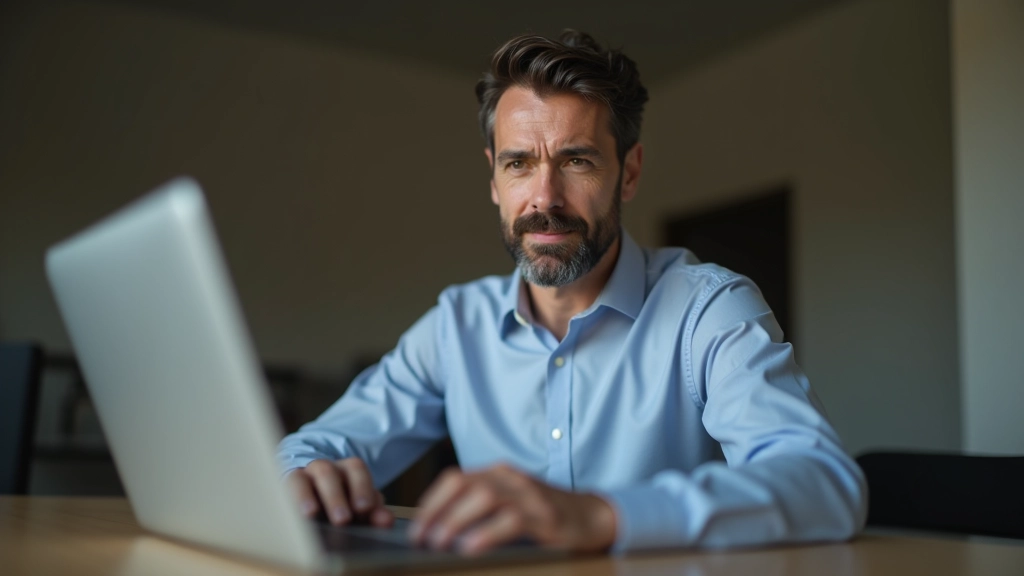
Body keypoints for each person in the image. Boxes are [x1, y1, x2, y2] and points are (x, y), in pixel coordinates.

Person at [278, 30, 866, 555]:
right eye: (518, 165)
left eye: (576, 160)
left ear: (628, 172)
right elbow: (313, 448)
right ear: (493, 179)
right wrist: (300, 475)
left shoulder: (709, 310)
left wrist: (602, 516)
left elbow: (823, 482)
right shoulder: (457, 324)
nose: (544, 198)